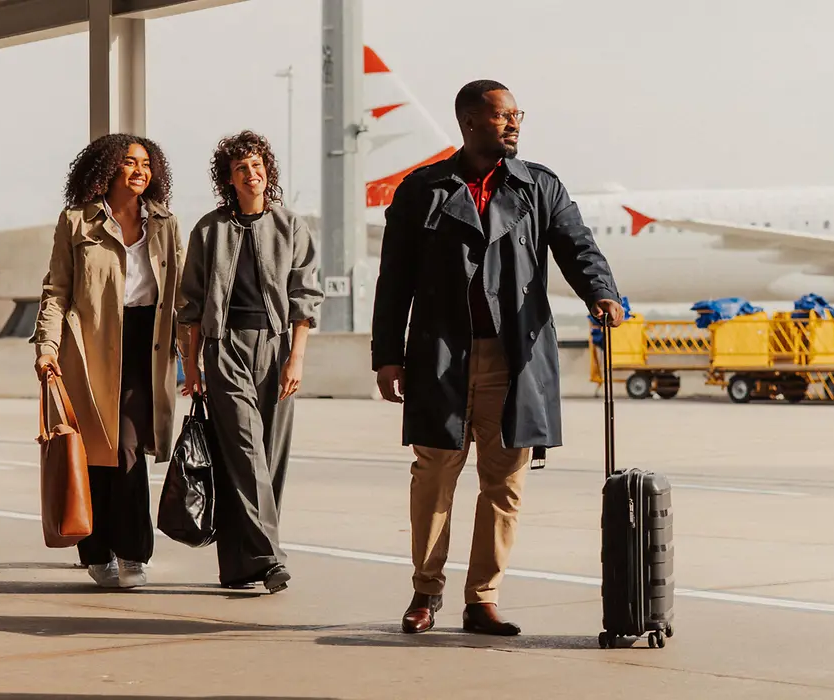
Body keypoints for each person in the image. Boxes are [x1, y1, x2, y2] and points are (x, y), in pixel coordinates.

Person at [372, 80, 626, 635]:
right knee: (434, 476)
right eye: (502, 115)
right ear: (469, 121)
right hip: (440, 357)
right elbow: (394, 281)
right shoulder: (422, 189)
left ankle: (481, 598)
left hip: (515, 360)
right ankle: (426, 592)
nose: (514, 123)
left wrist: (601, 291)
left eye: (517, 114)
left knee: (504, 484)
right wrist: (387, 355)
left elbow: (577, 246)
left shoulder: (539, 187)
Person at [33, 133, 183, 589]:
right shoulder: (77, 222)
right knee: (97, 453)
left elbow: (182, 297)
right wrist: (47, 347)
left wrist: (194, 358)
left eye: (146, 163)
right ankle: (96, 550)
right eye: (129, 163)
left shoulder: (166, 223)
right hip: (90, 347)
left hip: (147, 346)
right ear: (107, 169)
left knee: (130, 449)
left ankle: (134, 550)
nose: (140, 171)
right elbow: (57, 289)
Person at [177, 130, 323, 593]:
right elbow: (190, 306)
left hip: (278, 347)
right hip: (225, 347)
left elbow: (305, 298)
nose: (252, 174)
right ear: (230, 179)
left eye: (257, 166)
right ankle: (271, 558)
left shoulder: (291, 226)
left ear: (267, 171)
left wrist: (295, 359)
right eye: (242, 168)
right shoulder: (209, 229)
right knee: (244, 451)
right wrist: (193, 366)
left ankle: (241, 566)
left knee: (270, 458)